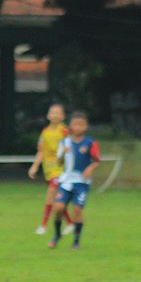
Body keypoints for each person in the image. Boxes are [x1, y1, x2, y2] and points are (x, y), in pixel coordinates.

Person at [48, 111, 100, 250]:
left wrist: (90, 168)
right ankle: (57, 234)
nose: (78, 127)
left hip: (81, 182)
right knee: (58, 208)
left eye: (81, 125)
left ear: (86, 126)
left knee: (77, 210)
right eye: (75, 124)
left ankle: (76, 241)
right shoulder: (65, 142)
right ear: (71, 126)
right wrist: (63, 152)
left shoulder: (90, 143)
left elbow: (96, 160)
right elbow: (59, 162)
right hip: (66, 181)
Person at [28, 104, 74, 236]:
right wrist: (35, 166)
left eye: (58, 113)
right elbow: (41, 151)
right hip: (48, 169)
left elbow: (70, 148)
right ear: (48, 116)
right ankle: (70, 223)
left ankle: (43, 226)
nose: (54, 115)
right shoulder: (45, 132)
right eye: (52, 112)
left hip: (61, 169)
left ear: (63, 116)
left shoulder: (65, 131)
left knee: (51, 195)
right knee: (57, 199)